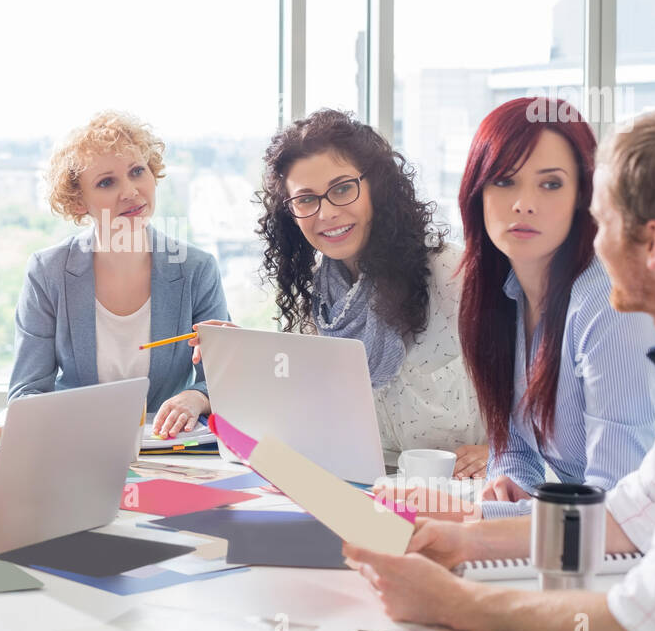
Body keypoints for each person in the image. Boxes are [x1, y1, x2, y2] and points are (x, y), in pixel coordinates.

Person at [344, 102, 655, 631]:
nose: (592, 243)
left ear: (651, 244)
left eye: (601, 220)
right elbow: (627, 516)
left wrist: (456, 604)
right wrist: (468, 541)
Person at [198, 108, 482, 466]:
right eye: (305, 199)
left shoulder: (448, 273)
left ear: (376, 187)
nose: (327, 213)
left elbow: (539, 378)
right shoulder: (321, 298)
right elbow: (302, 407)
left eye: (343, 189)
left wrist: (502, 452)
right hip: (373, 483)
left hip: (463, 490)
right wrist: (242, 354)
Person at [453, 97, 655, 518]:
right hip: (580, 539)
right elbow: (513, 450)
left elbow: (616, 503)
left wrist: (474, 518)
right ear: (477, 194)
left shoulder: (610, 305)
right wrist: (505, 487)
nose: (524, 204)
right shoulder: (498, 295)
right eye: (504, 181)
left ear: (582, 197)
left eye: (550, 184)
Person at [8, 110, 230, 438]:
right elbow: (25, 394)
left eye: (137, 171)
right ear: (79, 201)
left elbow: (221, 380)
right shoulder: (48, 273)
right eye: (106, 182)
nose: (130, 191)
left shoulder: (197, 269)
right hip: (79, 447)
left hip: (173, 450)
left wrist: (195, 397)